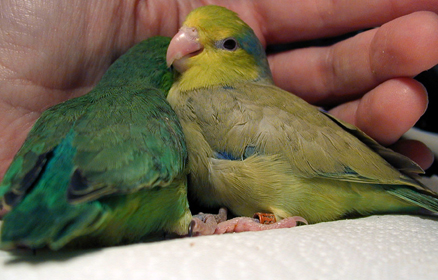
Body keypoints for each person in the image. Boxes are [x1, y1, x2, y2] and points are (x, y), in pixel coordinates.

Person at [0, 0, 437, 181]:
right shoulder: (181, 92)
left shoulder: (214, 100)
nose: (185, 43)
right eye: (189, 32)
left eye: (223, 44)